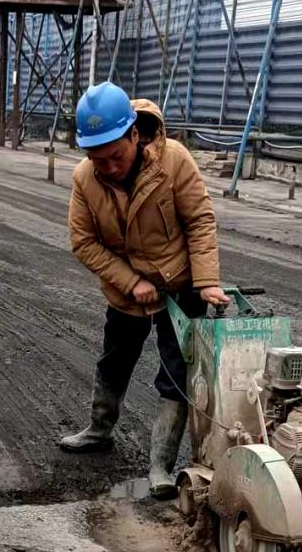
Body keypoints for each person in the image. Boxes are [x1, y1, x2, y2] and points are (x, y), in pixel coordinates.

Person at [60, 81, 230, 497]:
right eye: (97, 159)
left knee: (176, 372)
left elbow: (199, 221)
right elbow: (84, 242)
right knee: (115, 360)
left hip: (181, 286)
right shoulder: (85, 179)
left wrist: (207, 281)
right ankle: (99, 430)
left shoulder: (174, 161)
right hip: (126, 290)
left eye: (115, 156)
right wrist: (131, 281)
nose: (108, 167)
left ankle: (161, 466)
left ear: (134, 134)